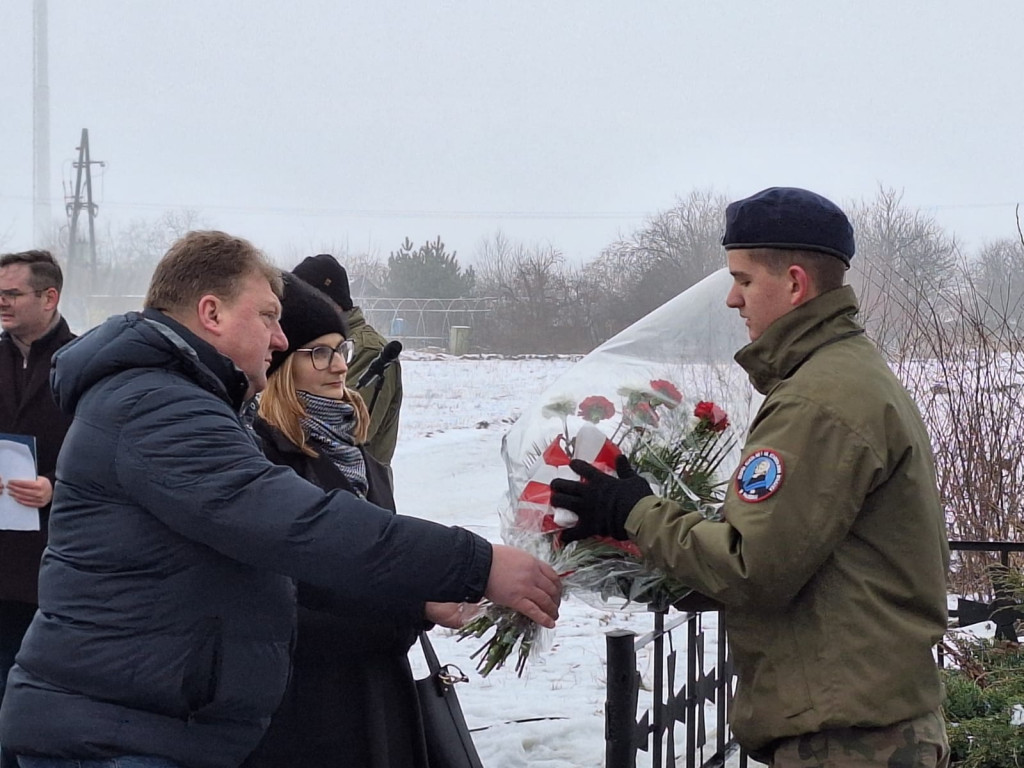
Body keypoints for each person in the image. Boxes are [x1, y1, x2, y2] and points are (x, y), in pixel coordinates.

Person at [0, 231, 560, 768]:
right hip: (116, 734)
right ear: (211, 313)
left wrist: (421, 595)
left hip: (151, 726)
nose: (278, 338)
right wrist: (475, 564)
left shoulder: (180, 399)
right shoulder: (158, 406)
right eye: (267, 316)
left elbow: (283, 560)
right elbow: (298, 526)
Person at [551, 188, 950, 767]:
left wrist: (634, 511)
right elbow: (795, 552)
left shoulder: (818, 399)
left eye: (743, 280)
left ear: (794, 283)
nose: (732, 300)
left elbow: (751, 565)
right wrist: (634, 542)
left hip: (848, 739)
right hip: (861, 721)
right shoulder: (838, 375)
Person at [244, 272, 465, 768]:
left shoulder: (359, 457)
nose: (338, 366)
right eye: (318, 353)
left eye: (340, 349)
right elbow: (284, 600)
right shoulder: (267, 459)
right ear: (282, 366)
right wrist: (412, 606)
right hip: (306, 713)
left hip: (380, 696)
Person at [0, 250, 76, 768]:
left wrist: (57, 488)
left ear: (49, 299)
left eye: (12, 294)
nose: (1, 303)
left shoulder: (82, 364)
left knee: (34, 698)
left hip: (54, 568)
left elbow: (105, 457)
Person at [292, 254, 403, 468]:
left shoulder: (368, 350)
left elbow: (351, 430)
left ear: (327, 302)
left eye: (301, 301)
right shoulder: (311, 344)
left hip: (359, 488)